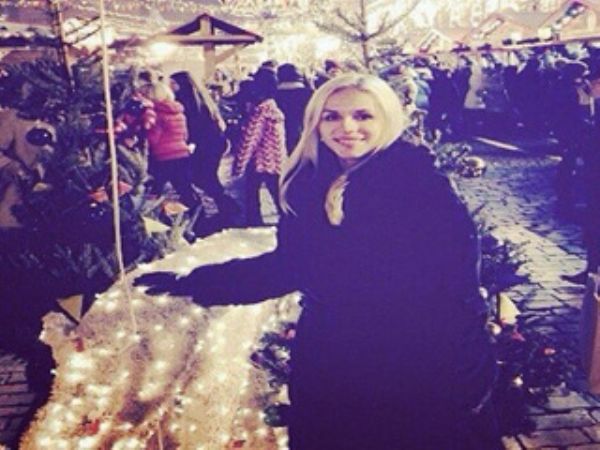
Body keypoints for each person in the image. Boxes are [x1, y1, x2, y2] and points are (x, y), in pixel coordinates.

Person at [135, 73, 500, 450]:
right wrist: (197, 280)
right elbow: (290, 267)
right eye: (332, 116)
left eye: (363, 116)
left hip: (412, 367)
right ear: (316, 124)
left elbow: (457, 292)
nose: (347, 127)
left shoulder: (421, 187)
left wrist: (464, 378)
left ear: (387, 120)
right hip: (330, 362)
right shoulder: (307, 184)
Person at [232, 69, 286, 225]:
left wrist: (239, 165)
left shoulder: (261, 111)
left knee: (252, 195)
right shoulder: (273, 108)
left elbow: (251, 139)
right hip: (276, 160)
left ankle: (254, 222)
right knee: (278, 194)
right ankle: (288, 221)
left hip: (261, 161)